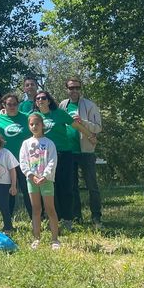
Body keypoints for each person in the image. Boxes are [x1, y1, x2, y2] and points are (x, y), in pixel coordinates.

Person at [33, 90, 92, 231]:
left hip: (63, 154)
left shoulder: (59, 113)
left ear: (49, 100)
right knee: (49, 188)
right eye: (37, 98)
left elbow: (76, 125)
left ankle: (67, 219)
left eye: (43, 98)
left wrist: (90, 136)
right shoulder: (35, 117)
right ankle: (54, 219)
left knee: (65, 187)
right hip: (44, 156)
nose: (40, 100)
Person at [59, 77, 103, 227]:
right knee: (72, 187)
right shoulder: (62, 105)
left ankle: (96, 217)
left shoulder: (90, 105)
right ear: (67, 89)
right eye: (71, 88)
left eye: (77, 87)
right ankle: (77, 217)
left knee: (92, 186)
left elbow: (98, 128)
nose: (74, 90)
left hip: (86, 151)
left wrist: (82, 121)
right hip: (68, 152)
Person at [20, 113, 60, 249]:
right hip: (32, 180)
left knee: (50, 208)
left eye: (37, 124)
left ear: (42, 125)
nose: (34, 126)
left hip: (46, 180)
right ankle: (36, 238)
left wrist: (45, 175)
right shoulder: (26, 143)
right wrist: (31, 175)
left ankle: (55, 239)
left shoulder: (49, 143)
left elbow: (52, 161)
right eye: (31, 124)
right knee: (36, 209)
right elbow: (23, 162)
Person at [0, 93, 32, 218]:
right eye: (9, 104)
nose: (12, 106)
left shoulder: (27, 118)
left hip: (25, 160)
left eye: (15, 104)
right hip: (5, 161)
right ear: (4, 105)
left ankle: (36, 218)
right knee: (8, 191)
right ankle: (8, 221)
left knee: (27, 190)